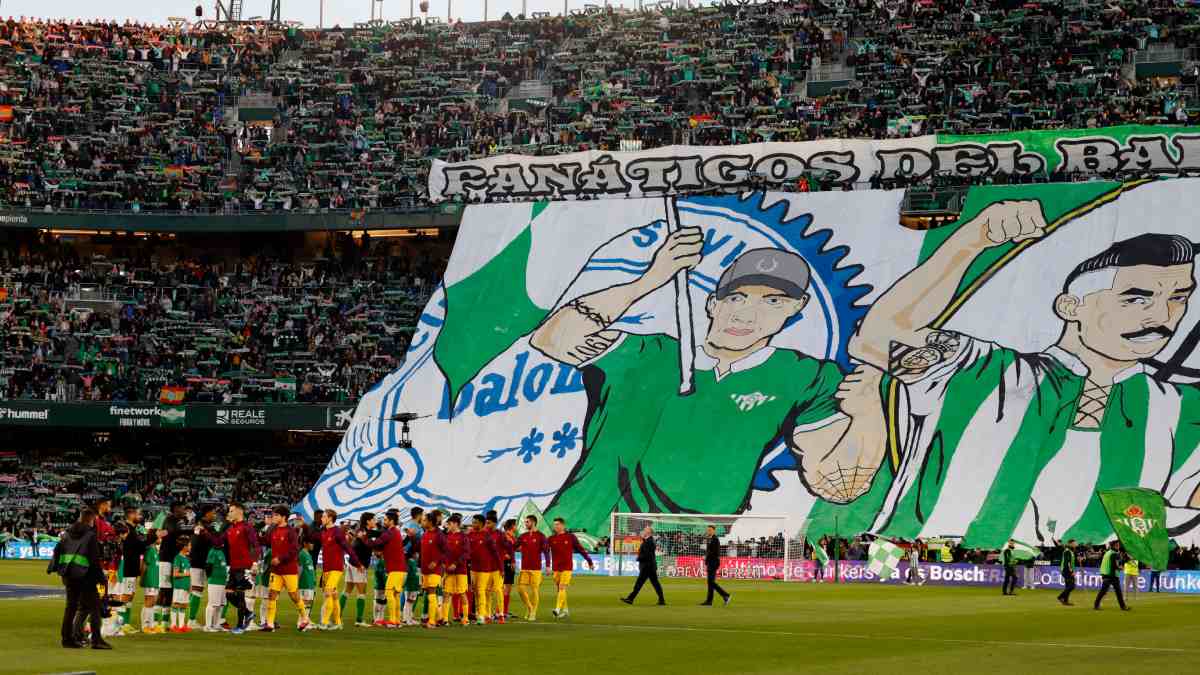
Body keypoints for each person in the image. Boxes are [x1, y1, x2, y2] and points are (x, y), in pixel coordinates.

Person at [850, 207, 1200, 546]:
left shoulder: (1183, 410)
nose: (1162, 316)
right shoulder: (980, 371)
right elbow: (875, 338)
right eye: (1136, 299)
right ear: (1070, 306)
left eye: (1179, 298)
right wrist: (971, 240)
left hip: (1084, 575)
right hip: (931, 568)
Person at [533, 238, 888, 536]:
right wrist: (651, 279)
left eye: (773, 301)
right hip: (577, 529)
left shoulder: (805, 376)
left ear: (797, 308)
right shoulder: (649, 353)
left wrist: (869, 412)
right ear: (712, 303)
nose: (747, 314)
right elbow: (552, 339)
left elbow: (840, 486)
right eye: (736, 297)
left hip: (692, 546)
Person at [51, 508, 111, 650]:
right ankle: (96, 640)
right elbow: (94, 560)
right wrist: (101, 579)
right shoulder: (90, 535)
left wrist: (60, 570)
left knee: (71, 607)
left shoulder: (66, 533)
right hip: (86, 577)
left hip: (69, 575)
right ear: (91, 520)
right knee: (95, 606)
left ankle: (67, 639)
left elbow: (57, 551)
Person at [263, 506, 312, 632]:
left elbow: (294, 550)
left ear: (283, 517)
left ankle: (305, 618)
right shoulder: (273, 529)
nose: (273, 517)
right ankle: (269, 624)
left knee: (294, 595)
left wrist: (280, 559)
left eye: (276, 515)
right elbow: (265, 541)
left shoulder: (290, 531)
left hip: (289, 569)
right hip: (276, 570)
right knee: (272, 594)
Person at [216, 502, 259, 634]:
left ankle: (240, 626)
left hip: (245, 566)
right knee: (228, 594)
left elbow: (255, 545)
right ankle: (248, 613)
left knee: (240, 595)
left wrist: (255, 563)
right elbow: (218, 542)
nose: (229, 513)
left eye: (231, 511)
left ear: (239, 512)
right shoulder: (230, 529)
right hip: (234, 567)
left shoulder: (247, 527)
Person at [317, 509, 362, 630]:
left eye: (324, 516)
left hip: (336, 568)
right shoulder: (324, 531)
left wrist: (358, 563)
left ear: (330, 518)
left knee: (327, 593)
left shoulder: (337, 531)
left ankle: (324, 622)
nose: (322, 518)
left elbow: (348, 548)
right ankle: (337, 622)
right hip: (326, 569)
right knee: (334, 595)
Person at [365, 510, 409, 627]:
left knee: (389, 593)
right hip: (400, 569)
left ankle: (393, 620)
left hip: (396, 569)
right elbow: (381, 539)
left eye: (385, 520)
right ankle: (397, 620)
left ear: (391, 521)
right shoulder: (394, 532)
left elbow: (375, 544)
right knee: (395, 595)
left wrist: (365, 538)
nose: (383, 522)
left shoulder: (390, 533)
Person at [549, 517, 594, 618]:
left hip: (567, 567)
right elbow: (543, 549)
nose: (555, 526)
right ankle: (565, 610)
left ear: (562, 525)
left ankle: (557, 609)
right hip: (556, 568)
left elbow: (580, 549)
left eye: (557, 524)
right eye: (554, 525)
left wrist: (589, 561)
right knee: (560, 590)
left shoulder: (570, 537)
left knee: (562, 587)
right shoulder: (551, 539)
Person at [154, 501, 187, 633]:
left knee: (169, 591)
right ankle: (157, 622)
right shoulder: (169, 520)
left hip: (171, 559)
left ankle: (166, 622)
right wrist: (185, 530)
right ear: (175, 509)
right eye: (182, 509)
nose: (184, 511)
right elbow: (172, 532)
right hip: (165, 560)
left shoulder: (176, 521)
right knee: (164, 590)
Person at [188, 504, 219, 629]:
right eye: (213, 512)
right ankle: (191, 620)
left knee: (200, 590)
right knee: (197, 590)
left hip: (201, 562)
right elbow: (196, 544)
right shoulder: (201, 526)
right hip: (198, 563)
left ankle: (196, 619)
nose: (215, 515)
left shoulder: (205, 526)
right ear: (207, 513)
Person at [467, 514, 500, 624]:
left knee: (481, 590)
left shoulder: (486, 536)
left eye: (475, 522)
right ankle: (480, 613)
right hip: (474, 568)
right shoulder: (470, 535)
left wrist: (501, 568)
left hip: (485, 569)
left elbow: (495, 552)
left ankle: (481, 615)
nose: (473, 524)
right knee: (476, 591)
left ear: (481, 523)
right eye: (473, 522)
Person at [516, 515, 550, 621]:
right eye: (525, 522)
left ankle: (533, 612)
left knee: (534, 590)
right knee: (520, 589)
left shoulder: (541, 536)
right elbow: (513, 546)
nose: (525, 524)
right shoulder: (523, 536)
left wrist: (548, 566)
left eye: (527, 522)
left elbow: (546, 552)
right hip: (524, 568)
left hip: (536, 568)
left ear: (533, 523)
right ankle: (530, 607)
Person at [117, 505, 145, 635]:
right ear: (131, 515)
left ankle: (126, 623)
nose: (139, 517)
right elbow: (136, 546)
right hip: (127, 566)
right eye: (138, 514)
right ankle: (120, 623)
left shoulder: (132, 529)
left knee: (130, 595)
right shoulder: (125, 528)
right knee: (126, 595)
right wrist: (149, 539)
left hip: (132, 566)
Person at [622, 525, 665, 606]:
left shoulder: (649, 541)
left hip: (647, 566)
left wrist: (639, 558)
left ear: (649, 532)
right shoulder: (648, 540)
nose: (643, 531)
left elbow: (648, 555)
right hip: (650, 566)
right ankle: (662, 600)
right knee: (655, 583)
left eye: (645, 530)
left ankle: (630, 598)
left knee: (639, 583)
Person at [348, 513, 377, 627]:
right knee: (362, 592)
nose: (375, 521)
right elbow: (356, 547)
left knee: (347, 591)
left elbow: (378, 533)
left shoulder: (362, 531)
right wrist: (359, 564)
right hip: (358, 566)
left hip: (352, 564)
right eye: (373, 520)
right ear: (368, 521)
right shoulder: (363, 533)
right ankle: (359, 620)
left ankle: (337, 617)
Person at [442, 514, 471, 625]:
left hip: (460, 571)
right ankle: (445, 619)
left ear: (455, 524)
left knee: (462, 593)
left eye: (449, 524)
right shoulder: (446, 537)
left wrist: (456, 563)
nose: (447, 526)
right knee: (447, 593)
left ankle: (465, 618)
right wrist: (444, 564)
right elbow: (443, 552)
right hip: (448, 571)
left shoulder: (463, 537)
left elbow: (466, 554)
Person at [419, 512, 447, 628]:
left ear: (430, 522)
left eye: (424, 520)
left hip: (435, 570)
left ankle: (432, 621)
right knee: (429, 594)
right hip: (425, 569)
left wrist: (436, 562)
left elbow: (445, 551)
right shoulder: (425, 534)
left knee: (431, 593)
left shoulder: (439, 534)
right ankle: (439, 617)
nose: (422, 522)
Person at [1095, 541, 1130, 611]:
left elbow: (1114, 563)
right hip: (1111, 575)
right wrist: (1121, 567)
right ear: (1113, 546)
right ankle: (1123, 607)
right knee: (1116, 592)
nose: (1118, 546)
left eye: (1118, 545)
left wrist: (1124, 561)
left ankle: (1096, 605)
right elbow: (1115, 565)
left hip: (1106, 574)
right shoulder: (1114, 554)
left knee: (1105, 591)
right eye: (1117, 545)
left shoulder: (1108, 552)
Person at [700, 525, 730, 606]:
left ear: (714, 531)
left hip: (713, 563)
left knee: (711, 582)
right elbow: (709, 551)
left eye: (710, 530)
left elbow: (716, 552)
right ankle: (709, 601)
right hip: (710, 562)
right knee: (710, 583)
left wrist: (707, 556)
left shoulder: (715, 539)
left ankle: (725, 595)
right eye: (708, 530)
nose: (708, 531)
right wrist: (706, 559)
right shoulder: (709, 539)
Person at [140, 530, 162, 634]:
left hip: (155, 580)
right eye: (159, 536)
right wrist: (142, 578)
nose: (160, 538)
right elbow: (144, 564)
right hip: (150, 580)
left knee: (152, 602)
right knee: (149, 601)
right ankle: (145, 626)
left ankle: (151, 625)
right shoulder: (149, 550)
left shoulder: (154, 550)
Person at [204, 542, 230, 632]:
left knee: (221, 605)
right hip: (214, 581)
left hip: (222, 582)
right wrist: (210, 578)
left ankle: (216, 624)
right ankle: (207, 626)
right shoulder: (212, 551)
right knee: (212, 604)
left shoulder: (221, 551)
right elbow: (208, 566)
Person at [170, 535, 193, 633]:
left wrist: (190, 585)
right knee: (176, 604)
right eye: (189, 545)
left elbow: (189, 574)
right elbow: (175, 574)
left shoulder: (186, 558)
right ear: (184, 547)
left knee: (184, 605)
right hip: (179, 586)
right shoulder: (178, 558)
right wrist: (186, 574)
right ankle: (173, 625)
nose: (190, 547)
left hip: (185, 586)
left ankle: (181, 625)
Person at [298, 539, 318, 622]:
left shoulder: (308, 554)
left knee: (308, 602)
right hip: (304, 583)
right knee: (305, 602)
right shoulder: (302, 554)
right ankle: (301, 621)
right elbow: (299, 569)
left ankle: (306, 620)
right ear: (305, 543)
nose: (313, 545)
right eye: (311, 543)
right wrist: (297, 582)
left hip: (310, 583)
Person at [1057, 540, 1077, 606]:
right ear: (1070, 544)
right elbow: (1067, 562)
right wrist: (1071, 571)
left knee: (1068, 586)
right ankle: (1060, 597)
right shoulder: (1067, 551)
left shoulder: (1070, 551)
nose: (1076, 544)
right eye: (1074, 543)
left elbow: (1071, 561)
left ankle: (1065, 601)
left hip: (1067, 570)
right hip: (1067, 570)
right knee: (1072, 586)